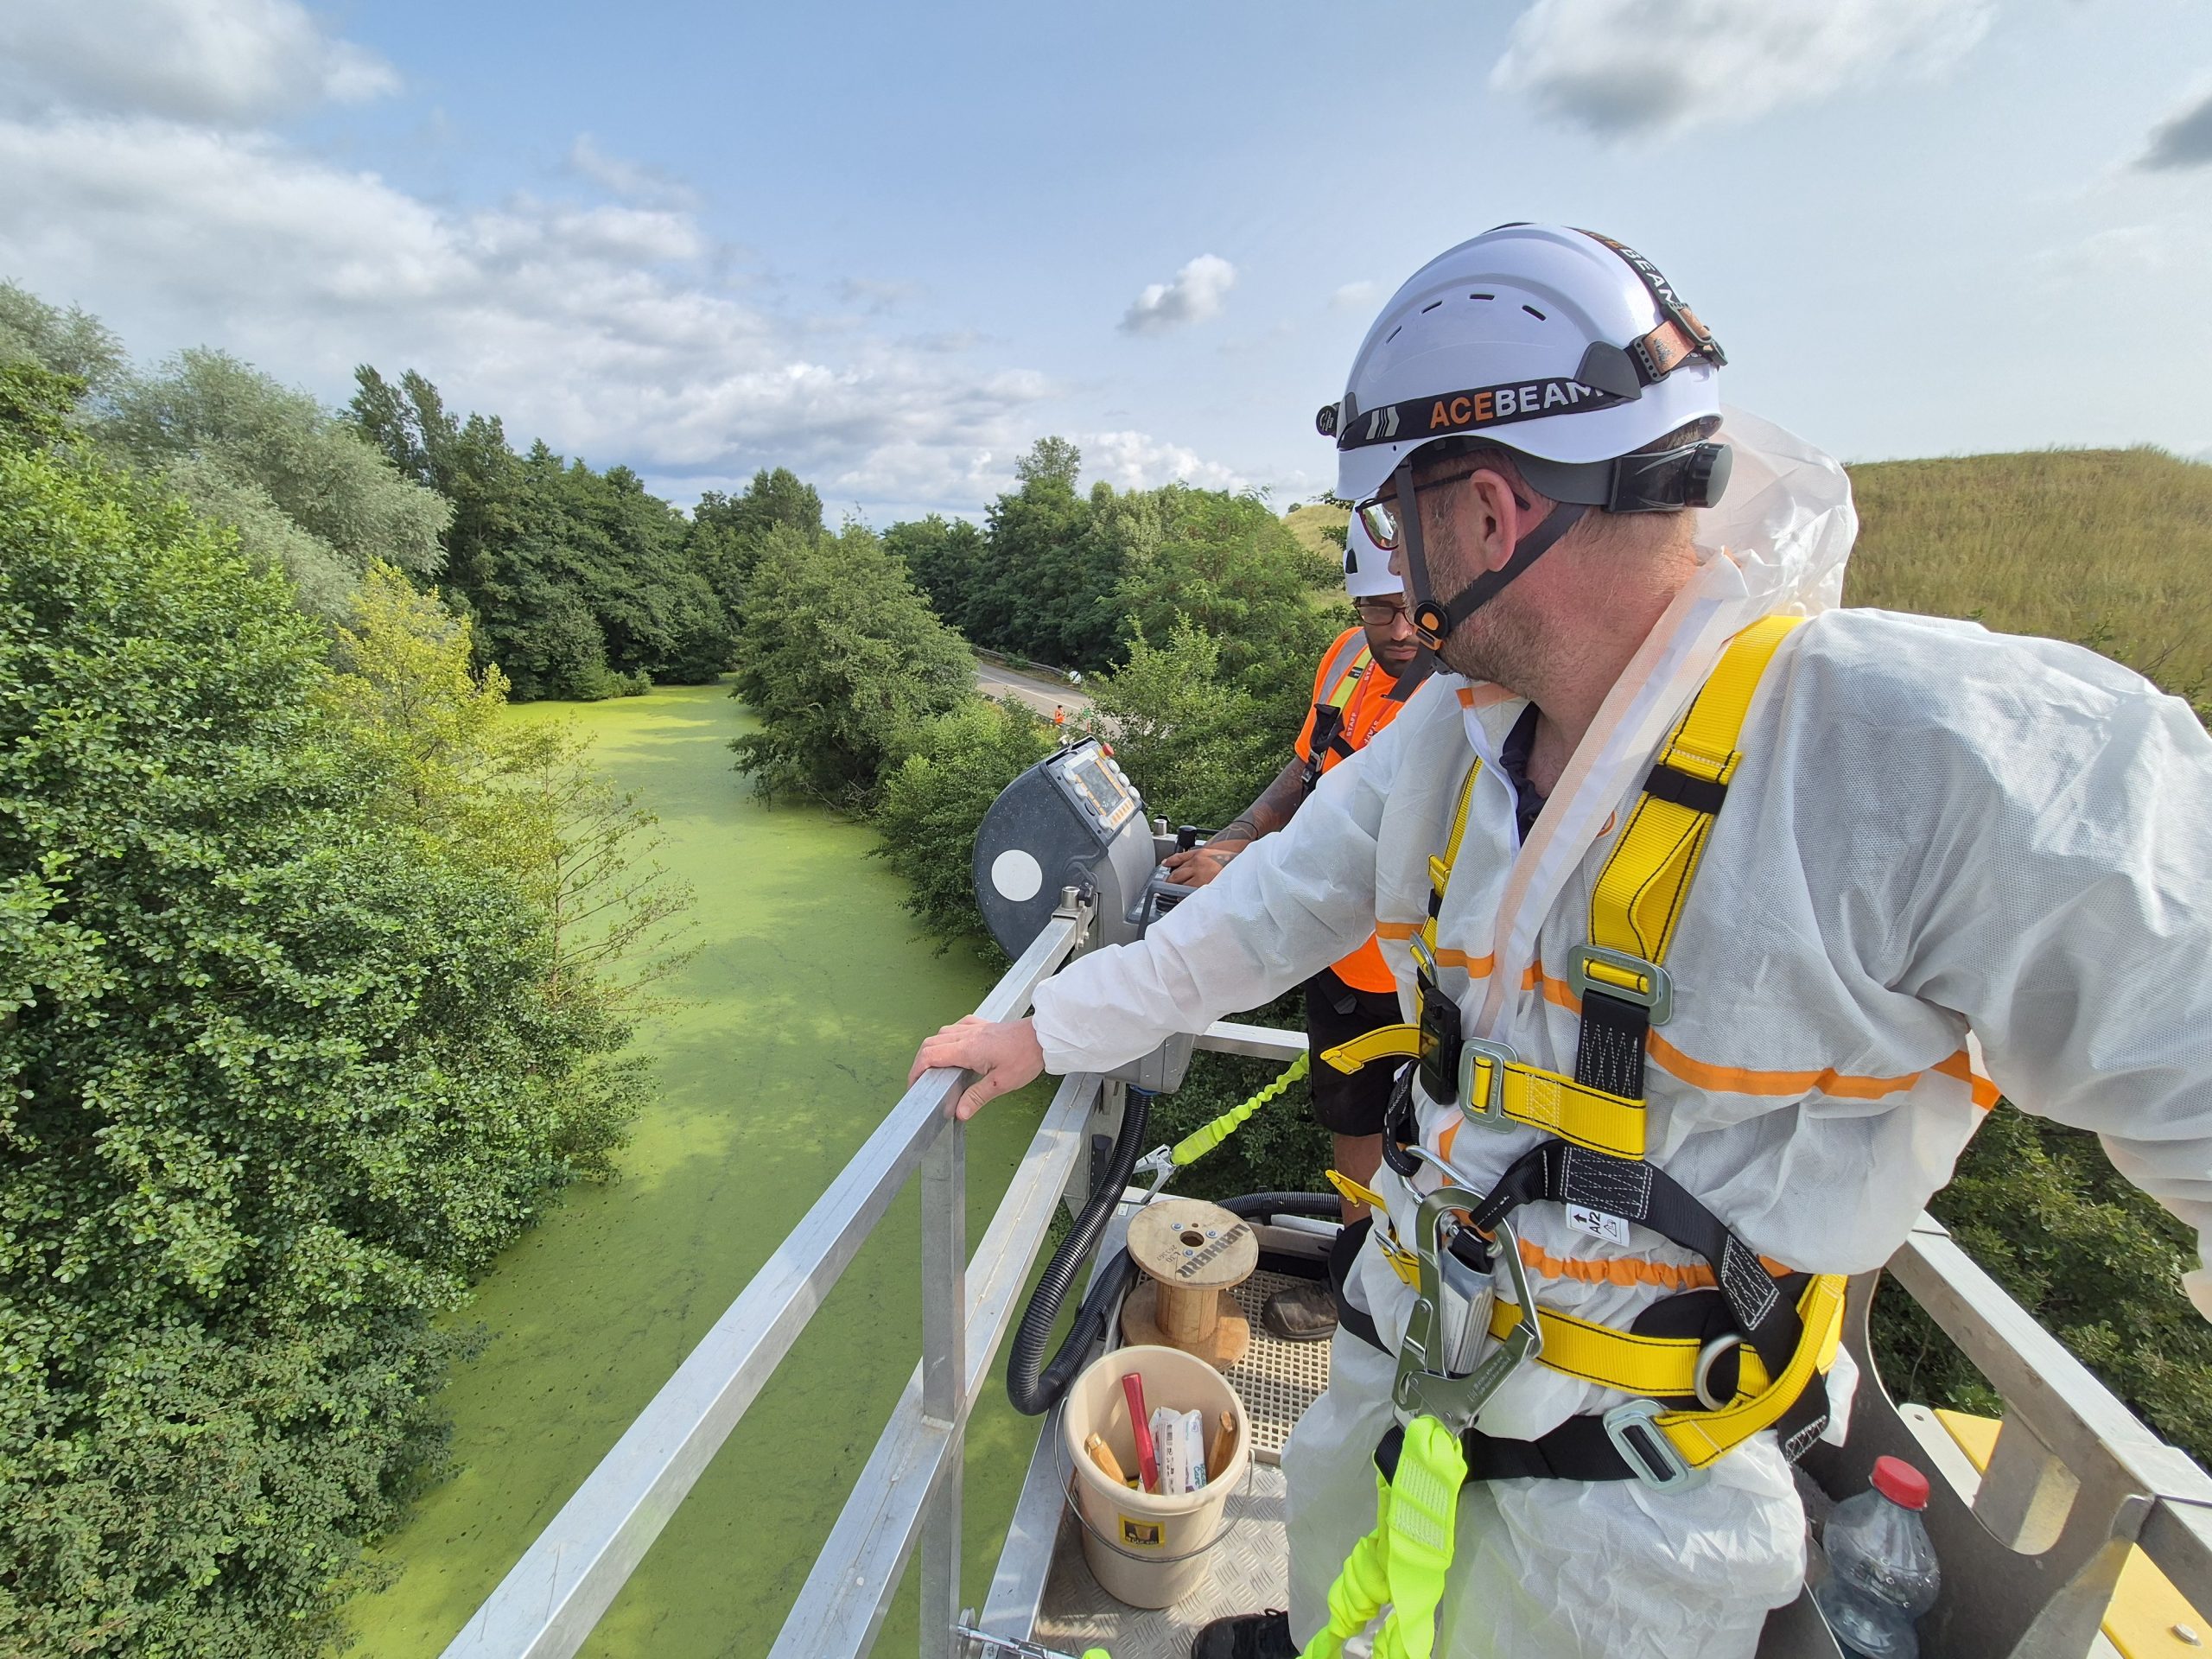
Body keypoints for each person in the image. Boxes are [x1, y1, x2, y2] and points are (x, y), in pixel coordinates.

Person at [911, 223, 2212, 1659]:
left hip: (1630, 1523)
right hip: (1405, 1392)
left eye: (1398, 523)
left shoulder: (1923, 756)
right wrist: (1045, 1030)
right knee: (1363, 1621)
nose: (1391, 574)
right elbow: (1261, 915)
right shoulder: (1455, 747)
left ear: (1486, 512)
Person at [1158, 515, 1430, 1341]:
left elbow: (1378, 846)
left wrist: (1241, 871)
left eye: (1413, 606)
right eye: (1377, 608)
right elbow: (1308, 769)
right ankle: (1354, 1286)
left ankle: (1427, 1303)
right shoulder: (1350, 660)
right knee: (1355, 1126)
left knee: (1440, 1142)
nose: (1398, 628)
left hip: (1440, 974)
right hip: (1349, 965)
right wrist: (1236, 838)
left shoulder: (1470, 689)